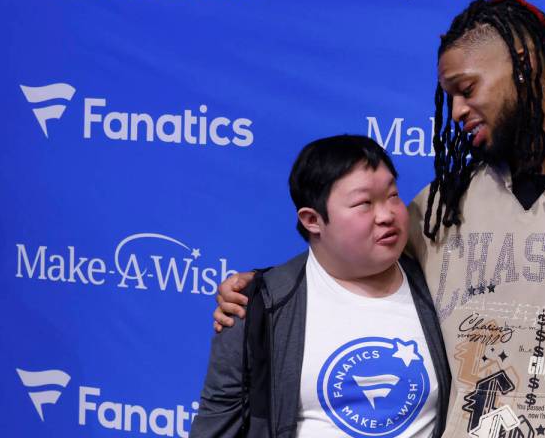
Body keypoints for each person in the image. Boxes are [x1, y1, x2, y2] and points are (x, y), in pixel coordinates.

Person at [214, 0, 545, 437]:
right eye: (448, 96)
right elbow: (348, 257)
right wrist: (259, 292)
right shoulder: (442, 206)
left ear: (524, 66)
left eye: (466, 88)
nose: (455, 111)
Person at [190, 135, 451, 438]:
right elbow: (217, 423)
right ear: (312, 219)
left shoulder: (439, 284)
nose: (387, 215)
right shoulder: (258, 305)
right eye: (364, 203)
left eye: (392, 195)